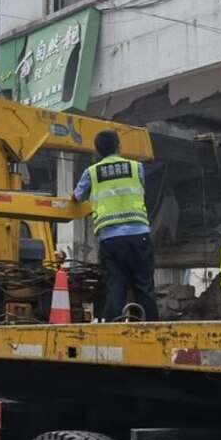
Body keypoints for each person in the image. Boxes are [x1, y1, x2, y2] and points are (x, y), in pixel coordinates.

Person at [72, 130, 158, 321]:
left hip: (110, 239)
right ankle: (152, 329)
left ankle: (114, 331)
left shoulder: (92, 172)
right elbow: (141, 189)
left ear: (97, 151)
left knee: (115, 287)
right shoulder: (136, 168)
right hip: (139, 235)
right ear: (119, 145)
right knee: (144, 287)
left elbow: (76, 197)